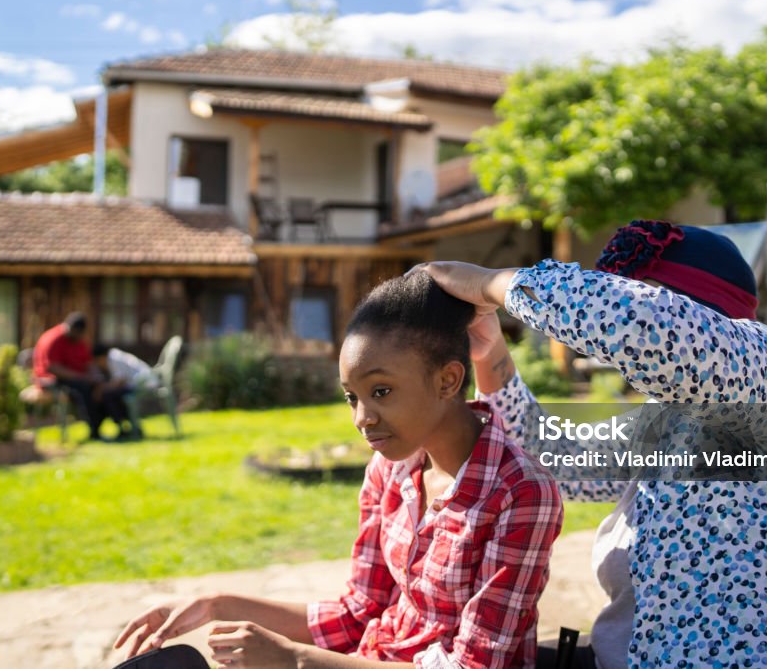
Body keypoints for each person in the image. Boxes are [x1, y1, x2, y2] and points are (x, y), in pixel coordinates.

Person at [419, 219, 767, 668]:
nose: (620, 360)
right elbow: (559, 460)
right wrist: (491, 352)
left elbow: (640, 322)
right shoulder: (670, 424)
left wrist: (490, 283)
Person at [113, 272, 564, 668]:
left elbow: (474, 667)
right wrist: (217, 605)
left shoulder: (520, 493)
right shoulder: (390, 471)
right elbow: (358, 612)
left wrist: (296, 661)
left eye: (381, 391)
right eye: (352, 396)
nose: (362, 417)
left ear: (447, 380)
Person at [33, 312, 128, 441]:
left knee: (104, 388)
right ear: (69, 327)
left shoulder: (79, 340)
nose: (78, 337)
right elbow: (52, 368)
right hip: (51, 379)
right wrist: (81, 377)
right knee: (83, 390)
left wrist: (96, 378)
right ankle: (94, 430)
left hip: (79, 379)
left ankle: (121, 424)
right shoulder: (53, 339)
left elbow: (88, 363)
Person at [93, 344, 158, 440]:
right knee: (112, 397)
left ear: (101, 357)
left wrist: (101, 389)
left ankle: (123, 427)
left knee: (108, 396)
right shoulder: (114, 355)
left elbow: (120, 381)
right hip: (141, 383)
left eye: (97, 361)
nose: (99, 365)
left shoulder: (113, 358)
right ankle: (128, 426)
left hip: (143, 384)